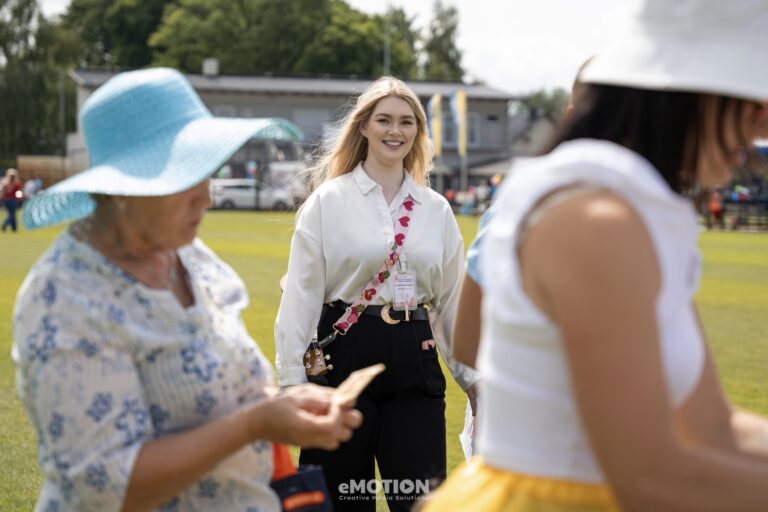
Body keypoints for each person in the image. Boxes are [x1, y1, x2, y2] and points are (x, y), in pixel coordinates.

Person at [426, 0, 768, 510]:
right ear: (687, 96)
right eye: (752, 99)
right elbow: (649, 475)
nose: (760, 127)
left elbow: (712, 424)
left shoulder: (633, 211)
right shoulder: (597, 222)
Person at [12, 67, 361, 512]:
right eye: (186, 177)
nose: (208, 197)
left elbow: (215, 391)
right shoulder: (63, 298)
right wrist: (255, 423)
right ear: (124, 190)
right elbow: (103, 486)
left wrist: (281, 406)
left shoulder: (188, 255)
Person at [275, 76, 478, 511]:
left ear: (418, 132)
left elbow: (450, 303)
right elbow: (301, 296)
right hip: (342, 360)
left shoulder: (435, 209)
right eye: (384, 119)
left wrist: (473, 380)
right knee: (345, 501)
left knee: (421, 501)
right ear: (363, 126)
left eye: (407, 122)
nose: (395, 131)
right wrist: (293, 383)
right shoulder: (328, 201)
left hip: (414, 357)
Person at [2, 168, 22, 232]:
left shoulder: (5, 183)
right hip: (12, 200)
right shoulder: (16, 184)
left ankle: (14, 228)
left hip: (6, 200)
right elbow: (19, 193)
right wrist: (19, 198)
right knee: (12, 214)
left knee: (12, 213)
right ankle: (5, 224)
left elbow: (3, 192)